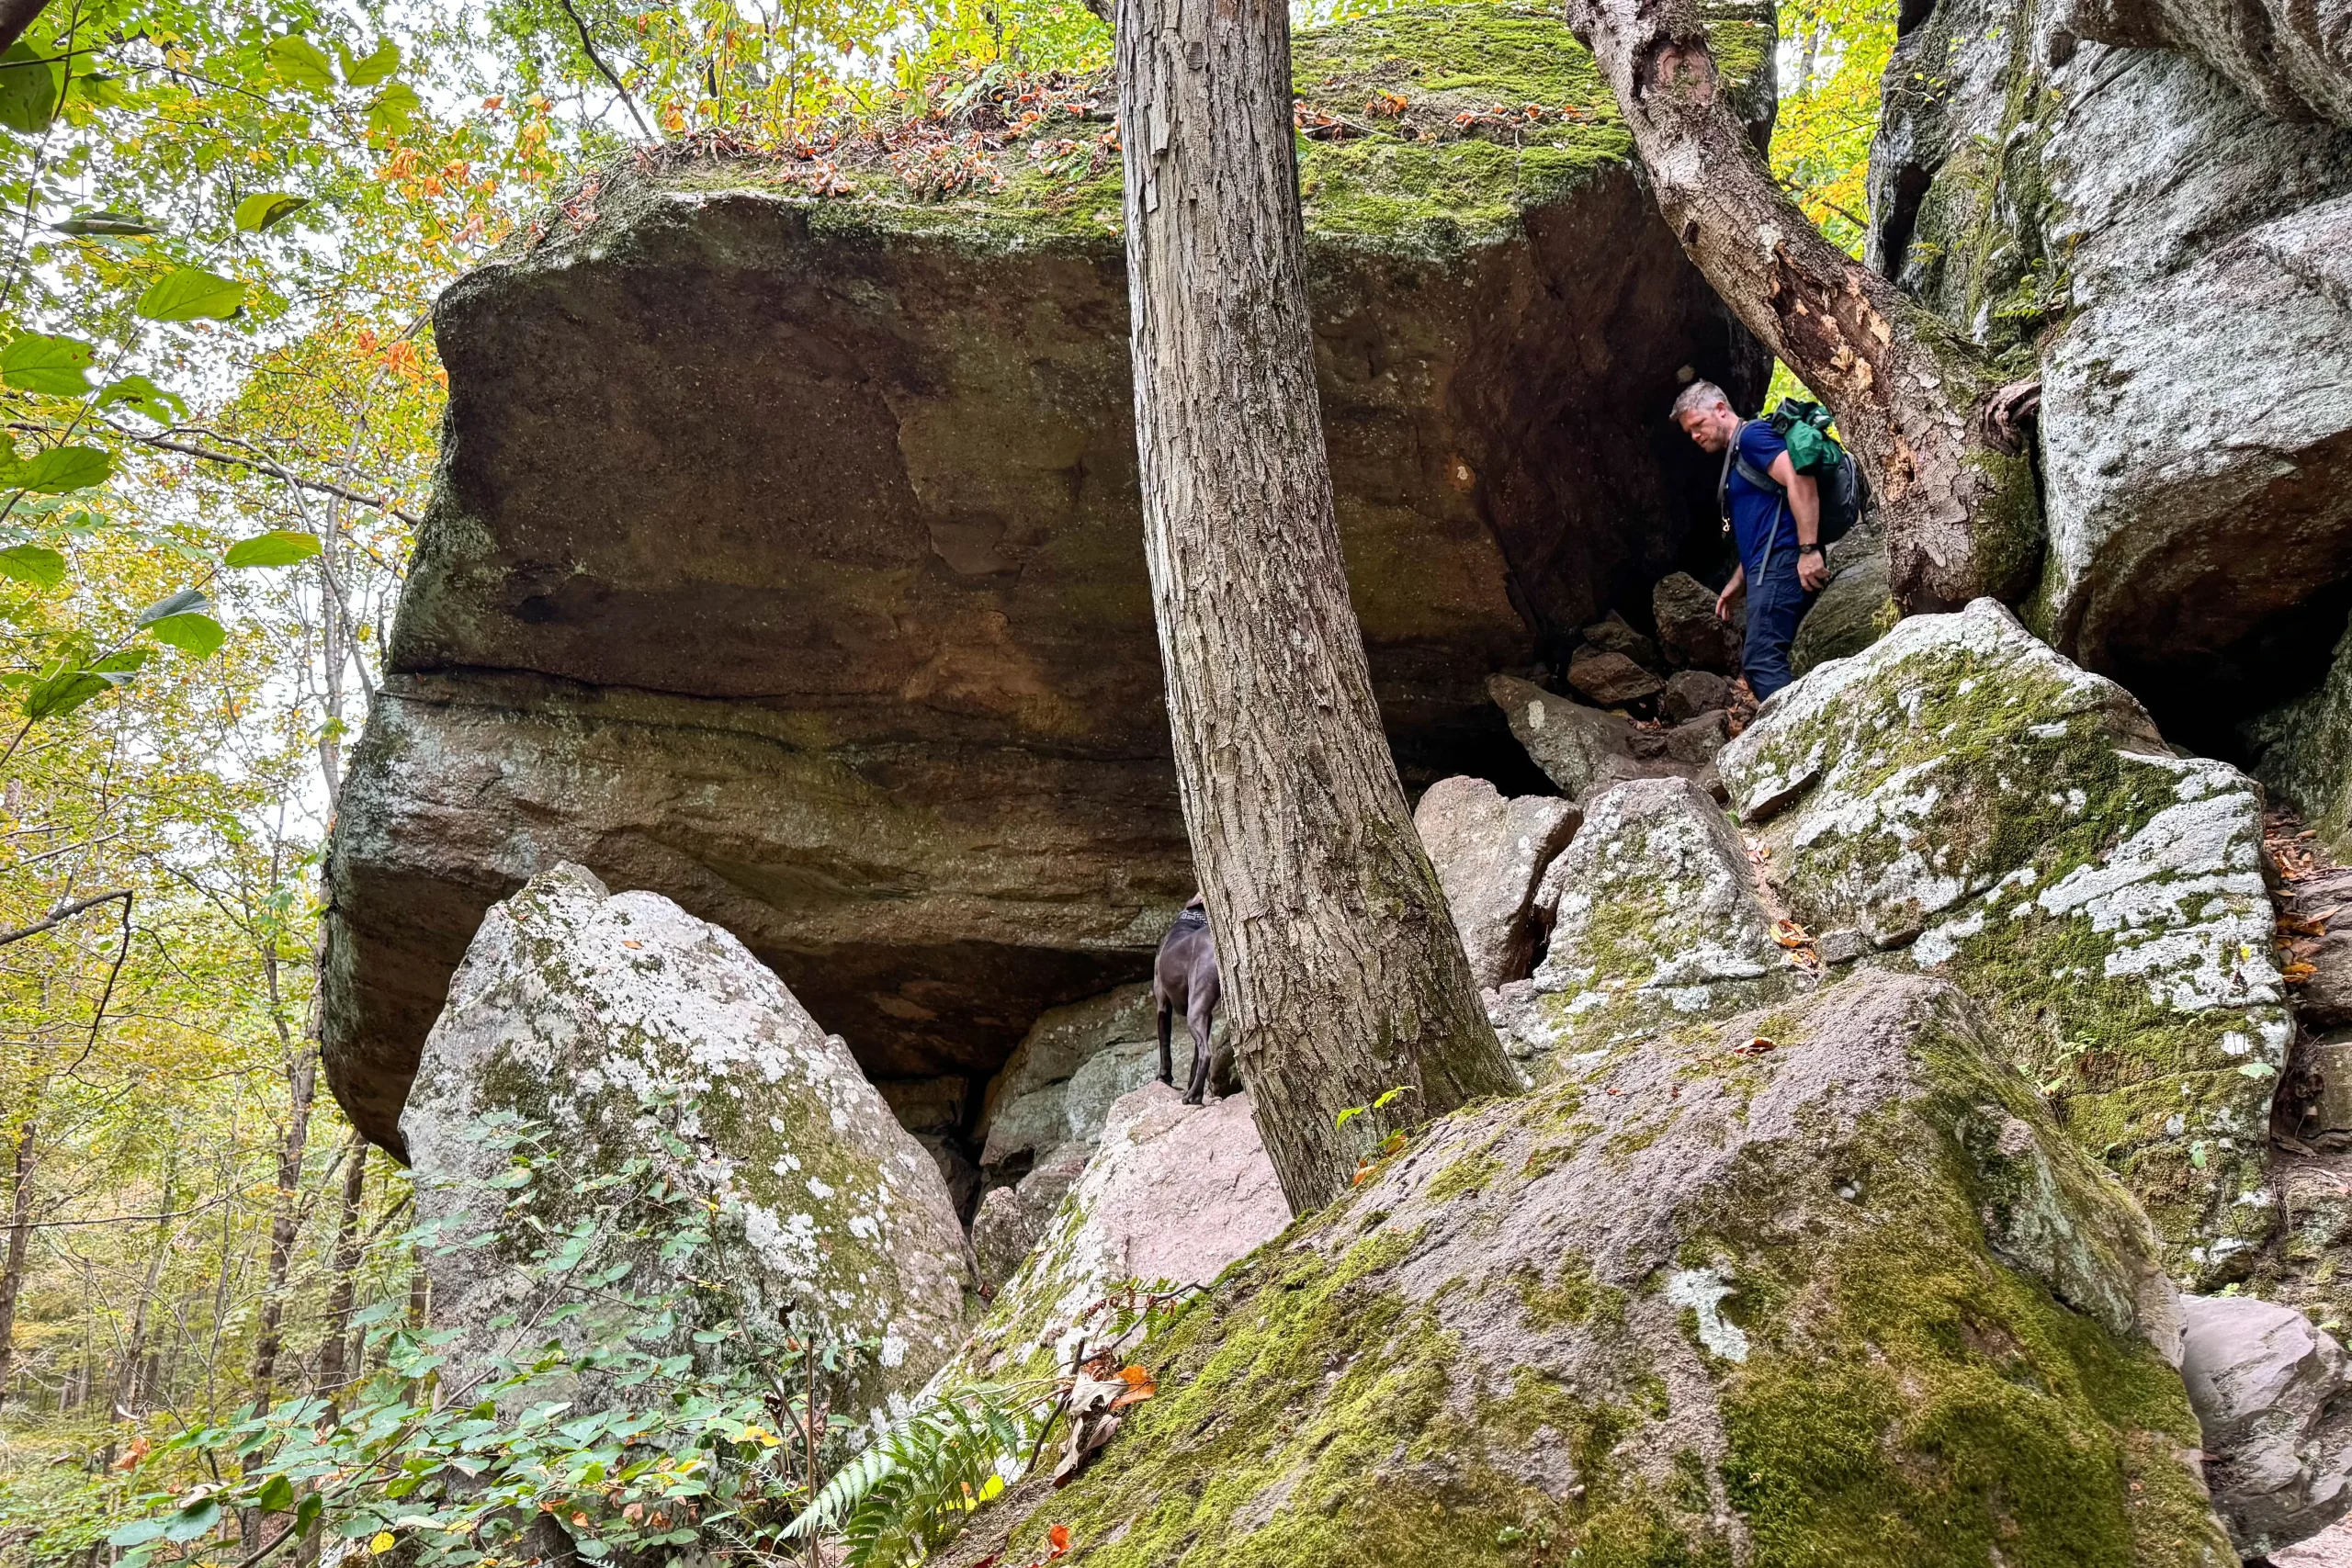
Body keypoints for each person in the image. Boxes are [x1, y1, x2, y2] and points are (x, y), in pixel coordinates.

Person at [1670, 380, 1828, 703]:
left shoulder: (1753, 437)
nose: (1695, 436)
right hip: (1766, 566)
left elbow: (1800, 478)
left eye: (1698, 425)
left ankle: (1803, 736)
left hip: (1783, 562)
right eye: (1689, 433)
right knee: (1763, 660)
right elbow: (1761, 526)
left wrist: (1809, 550)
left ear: (1720, 409)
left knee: (1760, 663)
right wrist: (1738, 581)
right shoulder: (1739, 454)